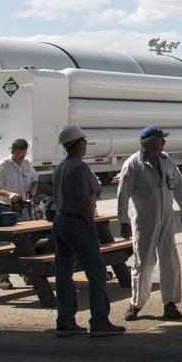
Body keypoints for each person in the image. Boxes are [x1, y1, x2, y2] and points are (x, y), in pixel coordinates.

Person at [51, 124, 125, 337]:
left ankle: (65, 320)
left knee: (64, 272)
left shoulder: (60, 167)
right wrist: (89, 221)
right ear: (80, 144)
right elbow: (84, 200)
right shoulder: (80, 168)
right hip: (78, 222)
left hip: (61, 220)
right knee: (97, 271)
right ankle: (99, 320)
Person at [117, 125, 182, 322]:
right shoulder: (133, 164)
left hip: (166, 218)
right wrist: (123, 221)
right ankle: (136, 303)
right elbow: (122, 195)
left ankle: (170, 303)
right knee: (144, 262)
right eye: (160, 139)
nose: (164, 143)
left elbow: (178, 184)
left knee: (170, 259)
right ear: (150, 142)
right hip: (144, 220)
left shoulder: (166, 160)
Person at [0, 138, 38, 290]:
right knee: (3, 244)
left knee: (27, 240)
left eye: (24, 153)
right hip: (4, 208)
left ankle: (26, 271)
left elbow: (34, 178)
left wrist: (33, 188)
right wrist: (9, 194)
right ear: (13, 151)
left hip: (21, 208)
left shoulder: (27, 165)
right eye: (20, 154)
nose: (22, 156)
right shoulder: (2, 166)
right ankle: (3, 277)